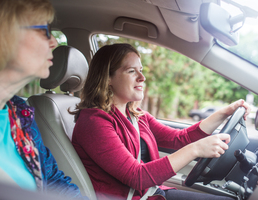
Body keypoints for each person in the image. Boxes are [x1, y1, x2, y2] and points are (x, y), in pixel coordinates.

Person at [71, 43, 251, 200]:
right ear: (107, 78)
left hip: (152, 193)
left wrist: (224, 113)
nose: (142, 78)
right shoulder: (94, 121)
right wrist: (196, 149)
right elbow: (136, 176)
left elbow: (179, 139)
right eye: (131, 71)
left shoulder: (135, 114)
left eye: (141, 70)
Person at [0, 0, 88, 199]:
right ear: (5, 35)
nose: (54, 42)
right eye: (44, 30)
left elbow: (53, 178)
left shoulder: (19, 113)